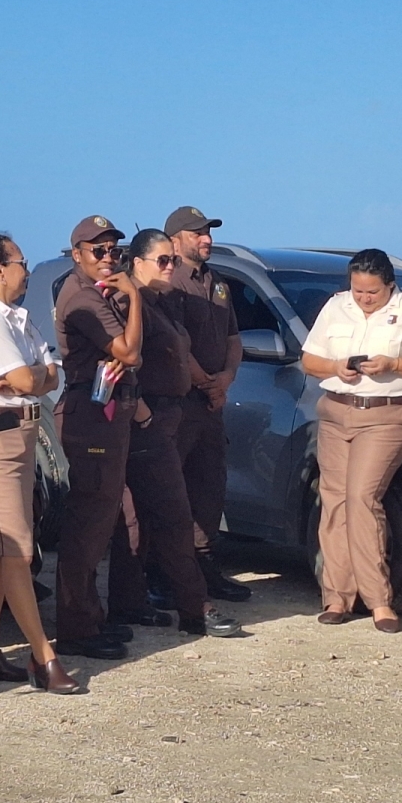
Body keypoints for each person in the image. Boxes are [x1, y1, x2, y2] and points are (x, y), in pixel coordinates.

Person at [0, 233, 78, 694]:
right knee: (17, 552)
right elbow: (30, 376)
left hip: (20, 435)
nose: (26, 270)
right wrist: (31, 379)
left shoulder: (18, 319)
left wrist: (32, 380)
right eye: (21, 262)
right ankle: (43, 656)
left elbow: (46, 374)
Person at [107, 229, 241, 638]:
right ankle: (195, 608)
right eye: (163, 260)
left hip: (172, 413)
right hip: (145, 416)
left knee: (149, 517)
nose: (171, 267)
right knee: (165, 514)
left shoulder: (166, 302)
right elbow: (122, 359)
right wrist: (144, 413)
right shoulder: (128, 302)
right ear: (139, 262)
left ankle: (131, 603)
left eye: (173, 260)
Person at [300, 249, 402, 632]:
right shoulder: (337, 307)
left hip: (386, 414)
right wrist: (335, 367)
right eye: (358, 291)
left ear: (390, 285)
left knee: (362, 497)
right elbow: (310, 359)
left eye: (372, 292)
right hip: (336, 410)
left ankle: (379, 602)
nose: (364, 298)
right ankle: (337, 597)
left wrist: (393, 364)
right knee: (335, 499)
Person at [52, 216, 143, 659]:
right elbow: (129, 351)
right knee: (88, 522)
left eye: (115, 252)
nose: (109, 259)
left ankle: (90, 616)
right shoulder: (81, 296)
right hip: (90, 416)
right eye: (99, 251)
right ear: (77, 255)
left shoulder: (98, 292)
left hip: (108, 412)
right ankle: (75, 627)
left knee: (101, 520)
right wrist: (135, 297)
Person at [163, 206, 251, 602]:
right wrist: (204, 381)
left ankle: (203, 563)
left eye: (208, 232)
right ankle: (163, 571)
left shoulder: (216, 283)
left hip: (211, 403)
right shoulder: (170, 280)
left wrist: (226, 379)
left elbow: (233, 337)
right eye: (198, 233)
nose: (207, 239)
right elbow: (175, 341)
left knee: (209, 484)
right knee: (170, 488)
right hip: (181, 400)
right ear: (176, 238)